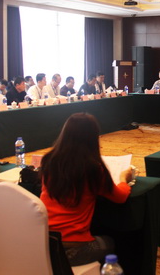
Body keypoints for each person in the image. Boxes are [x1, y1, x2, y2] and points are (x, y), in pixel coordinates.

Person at [40, 113, 133, 266]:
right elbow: (120, 197)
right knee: (110, 242)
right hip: (73, 248)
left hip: (44, 241)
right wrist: (123, 179)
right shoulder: (92, 168)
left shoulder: (49, 160)